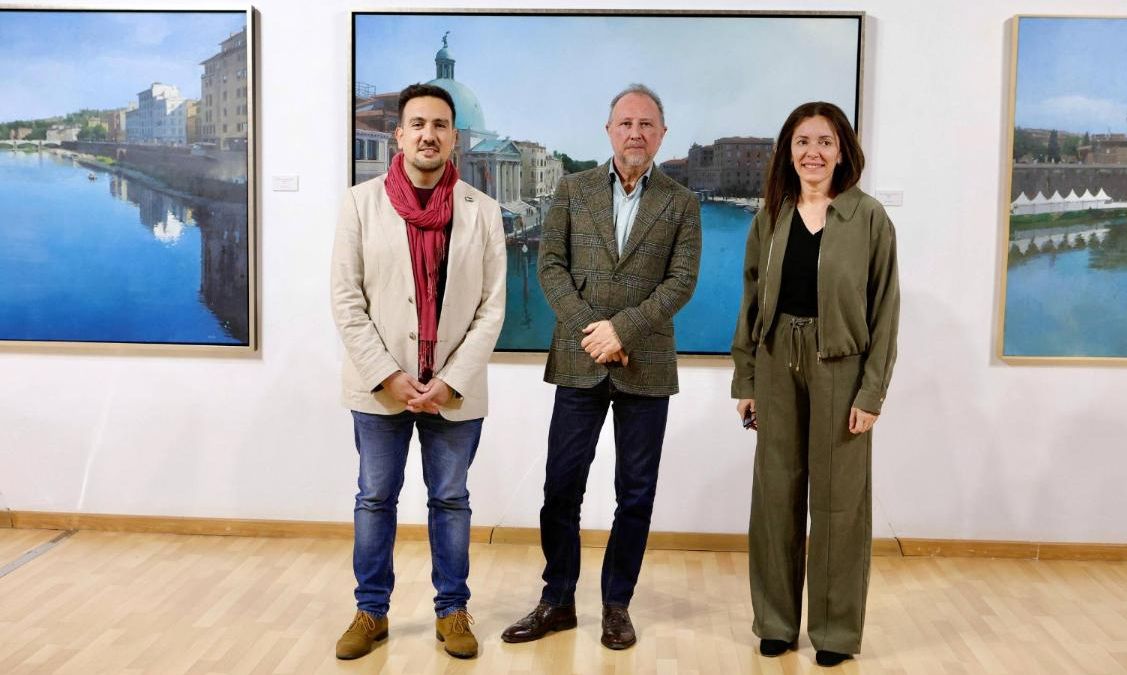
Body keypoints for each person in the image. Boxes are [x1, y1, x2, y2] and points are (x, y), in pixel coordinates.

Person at [501, 83, 701, 650]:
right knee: (560, 487)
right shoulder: (573, 189)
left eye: (646, 124)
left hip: (647, 363)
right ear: (608, 131)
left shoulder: (681, 203)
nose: (635, 132)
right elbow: (552, 267)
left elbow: (681, 282)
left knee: (635, 493)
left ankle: (617, 605)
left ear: (662, 133)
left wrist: (624, 330)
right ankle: (557, 600)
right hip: (579, 359)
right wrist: (595, 332)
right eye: (625, 123)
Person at [330, 83, 506, 660]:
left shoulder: (483, 210)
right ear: (399, 135)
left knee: (451, 500)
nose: (428, 134)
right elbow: (345, 300)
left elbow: (492, 306)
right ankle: (370, 611)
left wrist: (451, 380)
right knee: (375, 498)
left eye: (440, 125)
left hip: (453, 391)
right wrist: (386, 374)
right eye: (417, 124)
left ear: (454, 138)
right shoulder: (360, 203)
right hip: (380, 388)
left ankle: (452, 611)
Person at [730, 101, 899, 667]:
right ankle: (776, 622)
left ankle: (834, 632)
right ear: (789, 151)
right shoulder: (770, 217)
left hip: (841, 366)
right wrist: (746, 379)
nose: (813, 153)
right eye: (802, 142)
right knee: (775, 496)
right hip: (778, 361)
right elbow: (751, 303)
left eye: (825, 141)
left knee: (838, 505)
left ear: (843, 150)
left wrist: (871, 393)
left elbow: (886, 313)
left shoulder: (869, 218)